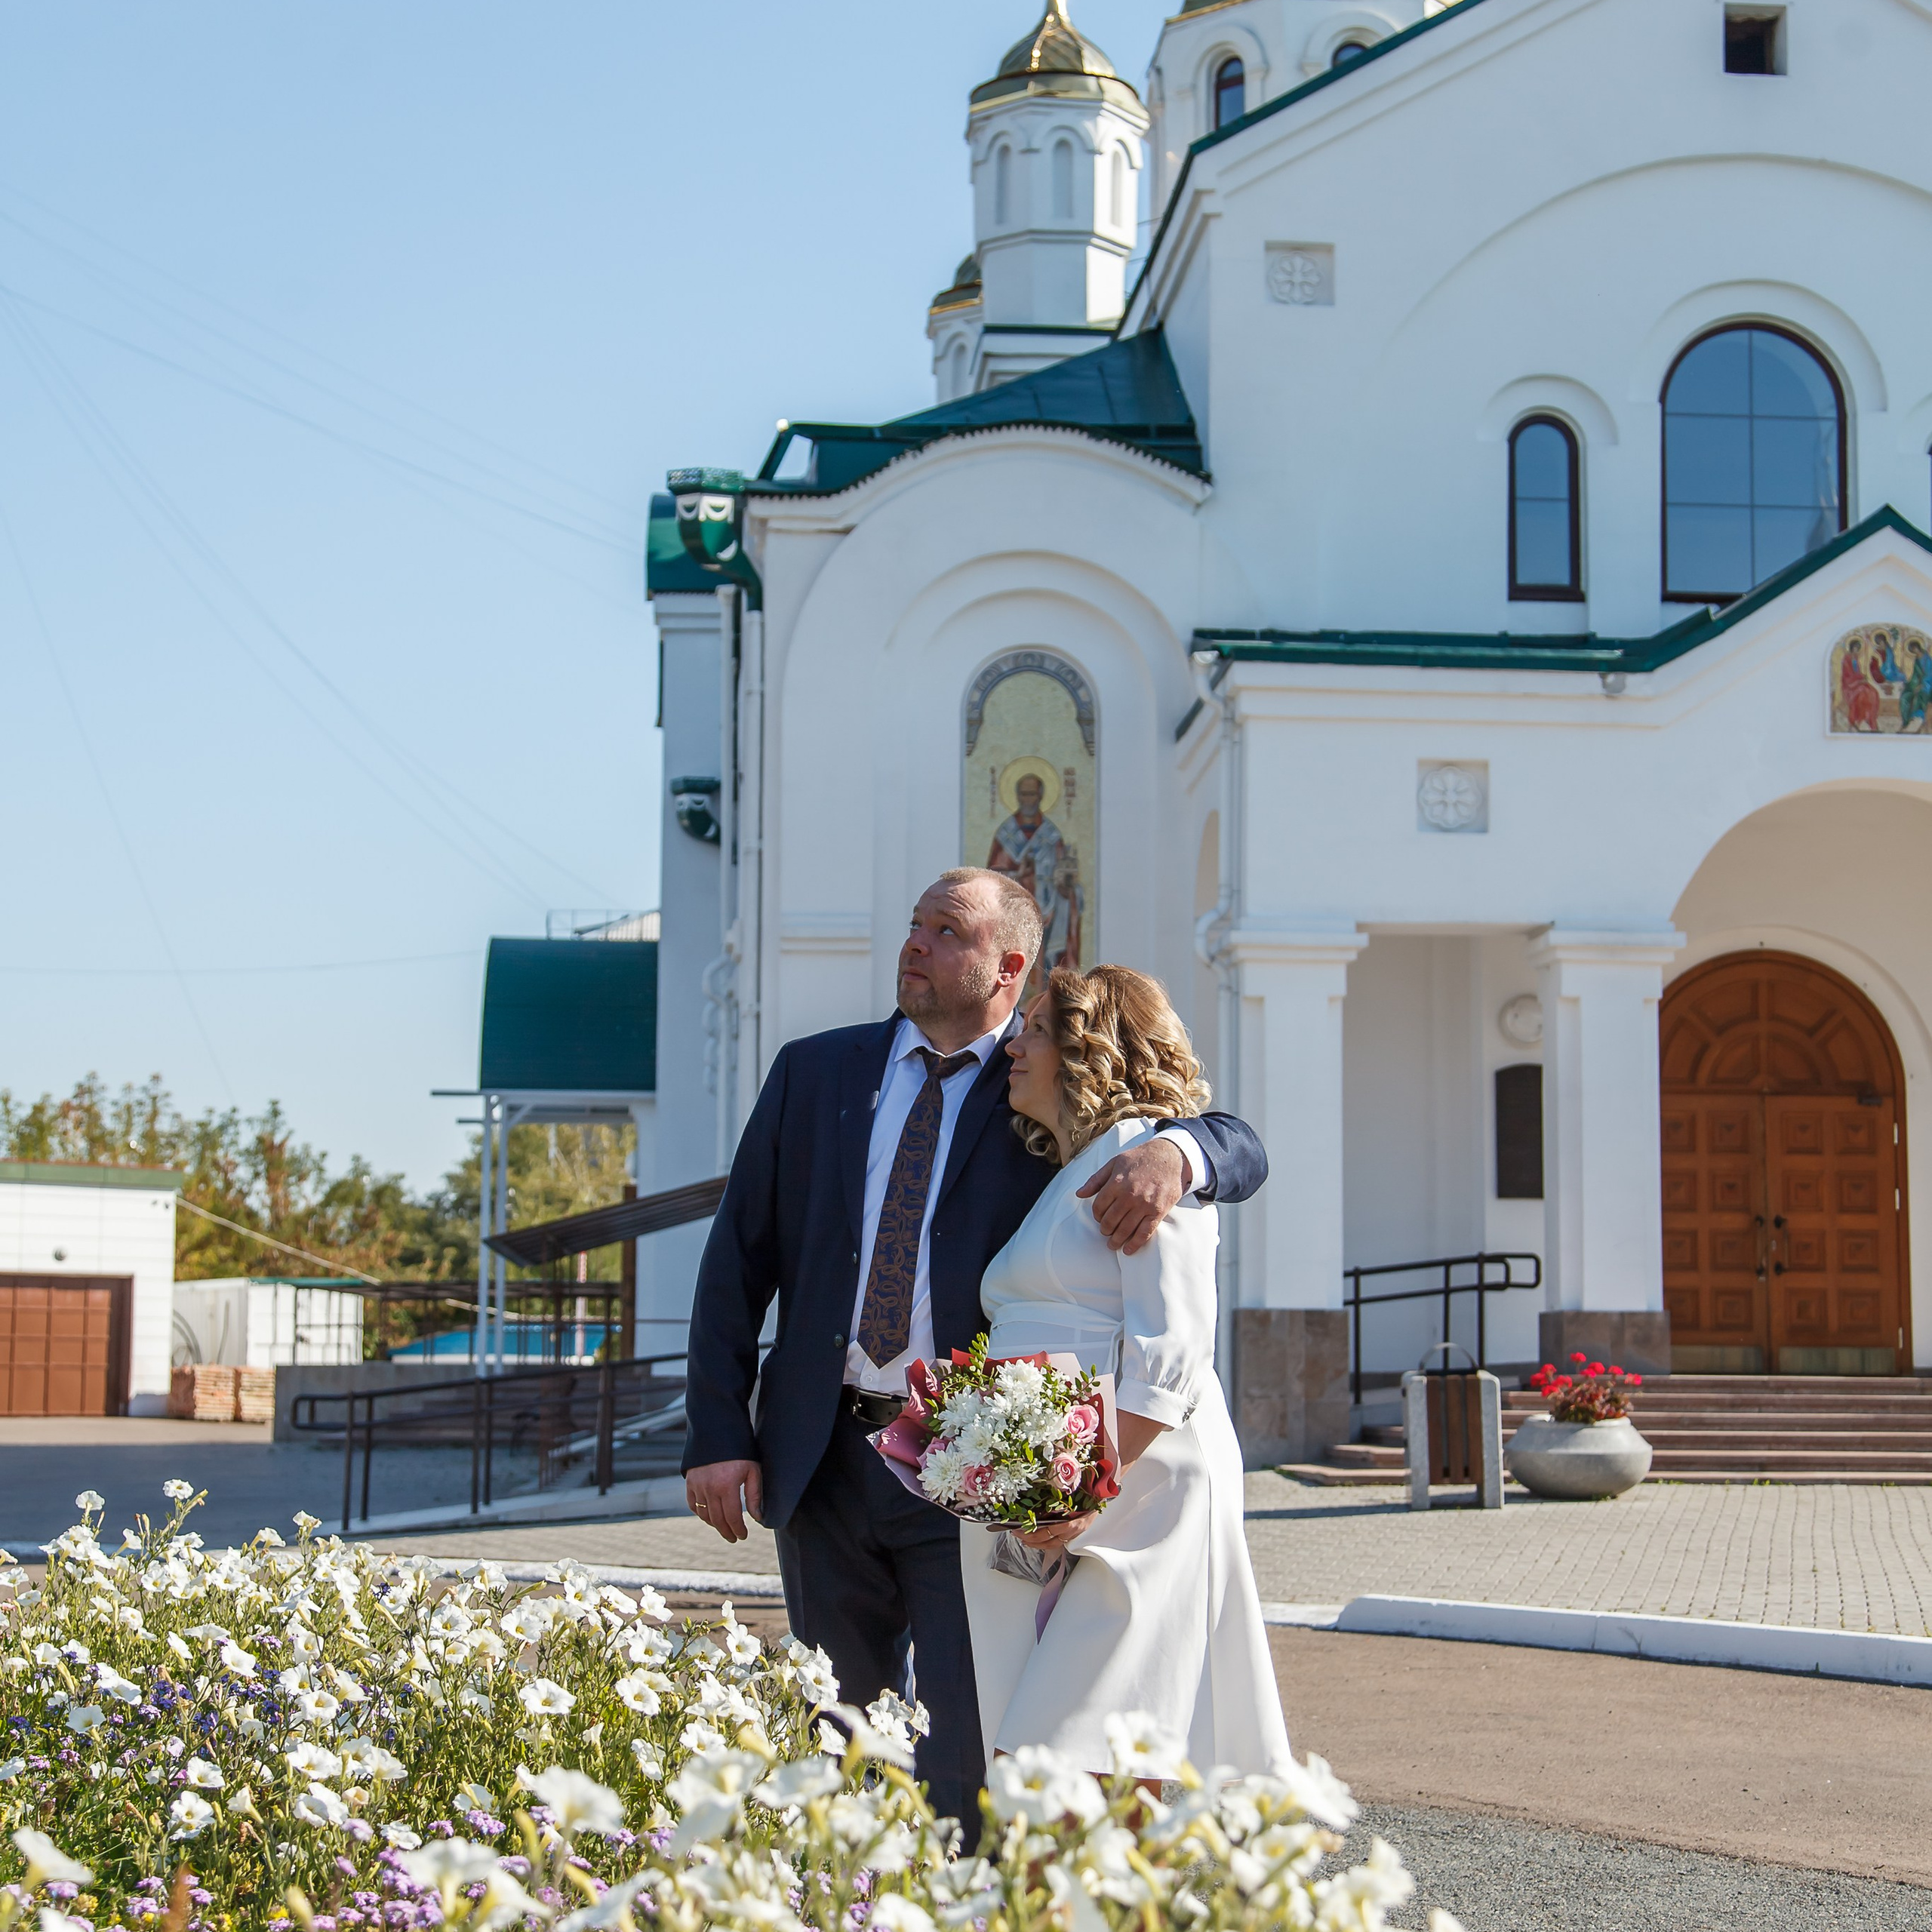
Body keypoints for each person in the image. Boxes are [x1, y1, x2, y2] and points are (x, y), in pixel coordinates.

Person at [681, 869, 1268, 1826]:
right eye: (912, 923)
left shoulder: (1041, 1078)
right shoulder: (813, 1073)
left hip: (962, 1470)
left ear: (1008, 966)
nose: (913, 943)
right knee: (839, 1730)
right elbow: (735, 1261)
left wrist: (1178, 1154)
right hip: (818, 1457)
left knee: (970, 1733)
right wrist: (717, 1429)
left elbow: (1226, 1137)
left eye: (944, 930)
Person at [961, 964, 1291, 1779]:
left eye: (1035, 1029)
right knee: (1080, 1760)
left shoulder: (1144, 1160)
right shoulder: (1064, 1171)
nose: (1014, 1047)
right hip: (1056, 1484)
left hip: (1137, 1487)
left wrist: (1083, 1486)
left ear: (1090, 1048)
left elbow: (1172, 1353)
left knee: (1071, 1755)